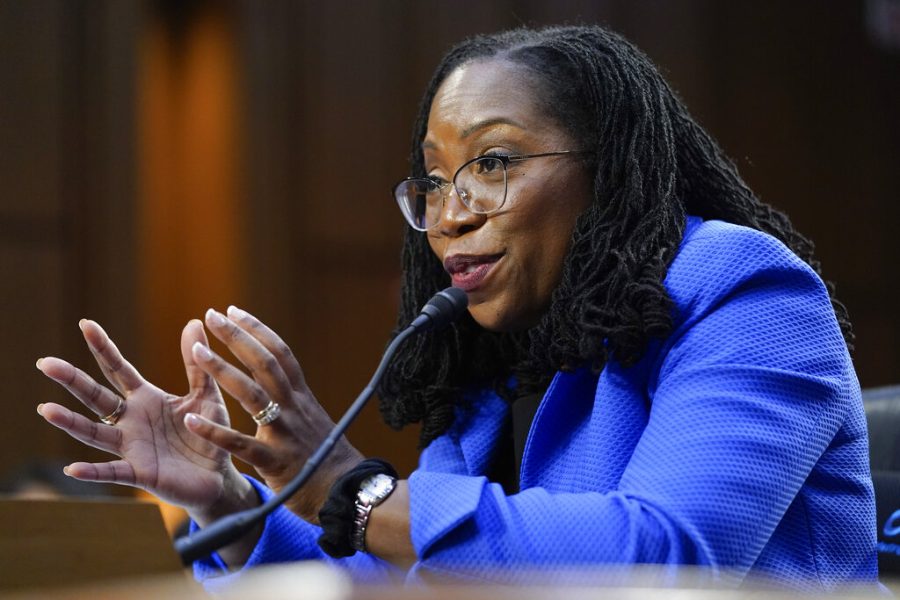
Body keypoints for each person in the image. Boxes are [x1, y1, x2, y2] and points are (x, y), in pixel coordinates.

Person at [35, 25, 878, 592]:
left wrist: (343, 486)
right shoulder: (494, 358)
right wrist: (226, 503)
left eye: (494, 162)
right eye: (435, 178)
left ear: (609, 171)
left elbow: (667, 561)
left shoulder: (744, 289)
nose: (451, 211)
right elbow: (405, 578)